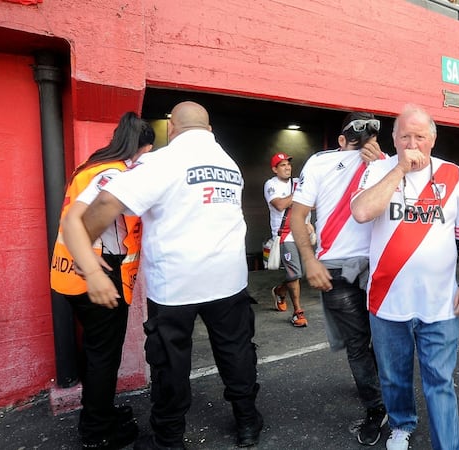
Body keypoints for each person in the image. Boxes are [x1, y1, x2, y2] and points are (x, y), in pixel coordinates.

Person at [64, 101, 263, 449]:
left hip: (175, 286)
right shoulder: (229, 163)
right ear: (210, 130)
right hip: (229, 280)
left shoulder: (161, 162)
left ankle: (168, 440)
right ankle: (247, 423)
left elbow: (107, 204)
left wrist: (87, 253)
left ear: (172, 128)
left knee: (169, 364)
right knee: (236, 353)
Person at [350, 104, 459, 450]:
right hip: (386, 297)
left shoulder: (453, 174)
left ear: (433, 138)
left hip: (440, 301)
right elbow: (362, 211)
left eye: (420, 137)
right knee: (393, 377)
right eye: (405, 136)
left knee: (440, 381)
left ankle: (447, 446)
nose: (412, 143)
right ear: (393, 139)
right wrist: (399, 170)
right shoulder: (377, 170)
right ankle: (401, 425)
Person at [52, 112, 154, 450]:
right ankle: (96, 431)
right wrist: (94, 272)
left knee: (97, 352)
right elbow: (73, 220)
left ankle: (102, 413)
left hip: (69, 272)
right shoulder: (114, 173)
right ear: (144, 148)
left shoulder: (91, 166)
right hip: (96, 271)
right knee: (103, 357)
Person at [289, 112, 388, 446]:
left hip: (381, 265)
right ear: (341, 140)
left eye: (370, 135)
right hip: (335, 266)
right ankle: (376, 408)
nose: (361, 144)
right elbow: (298, 215)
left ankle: (386, 396)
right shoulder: (320, 163)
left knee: (388, 337)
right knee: (358, 344)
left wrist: (385, 165)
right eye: (353, 137)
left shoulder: (389, 164)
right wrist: (308, 261)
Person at [264, 151, 310, 327]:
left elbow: (311, 202)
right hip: (284, 234)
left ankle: (280, 290)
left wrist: (307, 221)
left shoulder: (297, 183)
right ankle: (298, 312)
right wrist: (299, 193)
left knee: (299, 272)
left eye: (288, 164)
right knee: (294, 273)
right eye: (282, 165)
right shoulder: (271, 184)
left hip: (301, 232)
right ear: (275, 169)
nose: (287, 167)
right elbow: (280, 204)